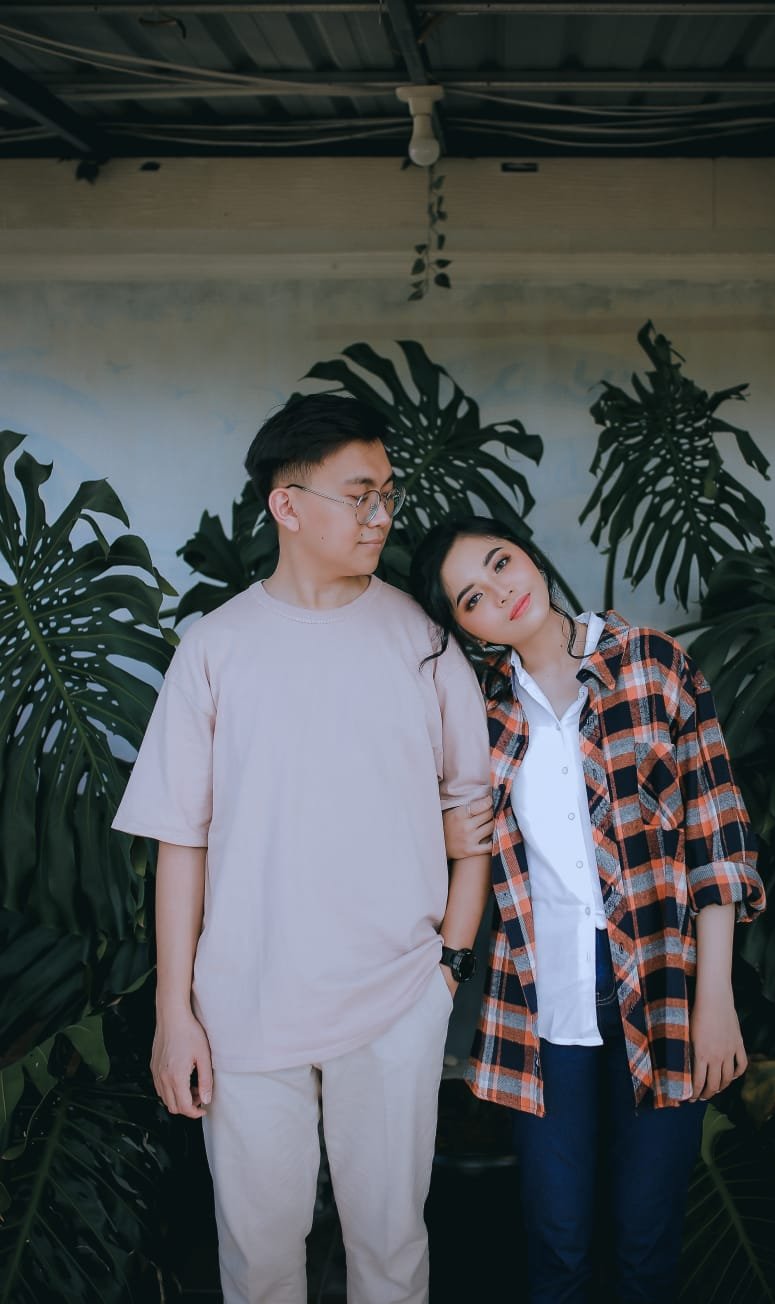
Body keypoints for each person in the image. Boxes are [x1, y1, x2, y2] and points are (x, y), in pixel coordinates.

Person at [112, 396, 492, 1304]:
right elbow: (181, 842)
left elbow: (473, 821)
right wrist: (174, 1011)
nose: (381, 515)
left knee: (391, 1251)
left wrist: (448, 968)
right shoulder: (215, 649)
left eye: (388, 494)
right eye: (359, 496)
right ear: (287, 505)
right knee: (259, 1260)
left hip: (396, 999)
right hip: (245, 1006)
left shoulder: (426, 646)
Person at [410, 515, 767, 1304]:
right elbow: (426, 820)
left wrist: (715, 1000)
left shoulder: (653, 662)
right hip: (545, 1007)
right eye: (471, 597)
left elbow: (716, 840)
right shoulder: (482, 713)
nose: (500, 590)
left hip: (666, 990)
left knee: (645, 1249)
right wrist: (444, 830)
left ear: (529, 554)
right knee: (557, 1248)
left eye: (501, 562)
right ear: (465, 629)